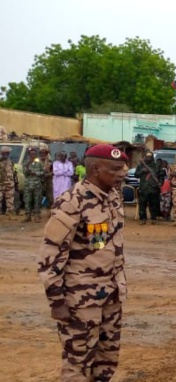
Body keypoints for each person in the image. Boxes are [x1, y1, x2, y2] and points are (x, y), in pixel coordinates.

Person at [37, 144, 129, 381]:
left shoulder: (113, 198)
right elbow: (51, 255)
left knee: (106, 361)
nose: (123, 173)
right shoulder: (71, 202)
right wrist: (56, 301)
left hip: (111, 294)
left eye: (123, 168)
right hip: (80, 300)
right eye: (116, 169)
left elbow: (99, 245)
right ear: (95, 169)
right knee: (77, 362)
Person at [135, 152, 162, 224]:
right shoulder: (141, 166)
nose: (149, 157)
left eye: (150, 156)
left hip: (154, 189)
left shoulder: (156, 166)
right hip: (144, 188)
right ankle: (143, 219)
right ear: (145, 157)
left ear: (152, 157)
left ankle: (153, 218)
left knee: (153, 205)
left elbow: (161, 175)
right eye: (147, 156)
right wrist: (142, 171)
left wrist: (159, 183)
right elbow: (136, 175)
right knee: (142, 205)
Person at [22, 148, 45, 222]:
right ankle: (28, 216)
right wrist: (28, 169)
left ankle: (37, 216)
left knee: (37, 200)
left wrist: (36, 173)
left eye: (34, 154)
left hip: (37, 184)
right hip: (28, 184)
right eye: (31, 154)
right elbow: (24, 173)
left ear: (36, 155)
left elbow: (43, 172)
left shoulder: (39, 163)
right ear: (29, 154)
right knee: (27, 200)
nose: (33, 155)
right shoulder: (26, 162)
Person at [0, 146, 14, 216]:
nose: (8, 154)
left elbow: (12, 171)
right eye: (6, 153)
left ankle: (10, 212)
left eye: (8, 153)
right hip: (1, 183)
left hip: (9, 183)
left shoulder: (10, 161)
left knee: (10, 198)